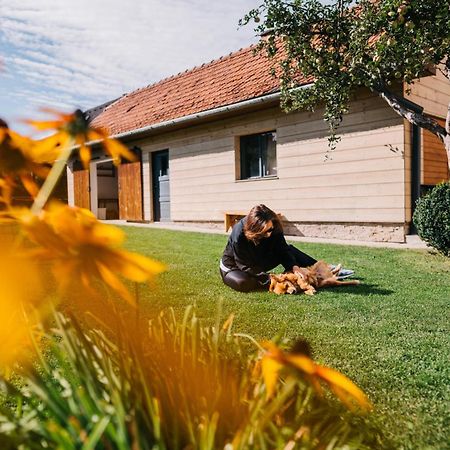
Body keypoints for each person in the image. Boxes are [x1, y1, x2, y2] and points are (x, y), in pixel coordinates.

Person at [220, 204, 353, 293]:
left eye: (270, 229)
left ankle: (326, 270)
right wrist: (275, 279)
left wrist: (294, 266)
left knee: (289, 250)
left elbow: (282, 249)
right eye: (264, 232)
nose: (269, 234)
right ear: (254, 230)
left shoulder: (274, 226)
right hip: (236, 266)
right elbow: (244, 265)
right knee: (243, 283)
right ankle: (281, 281)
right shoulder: (239, 234)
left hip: (258, 259)